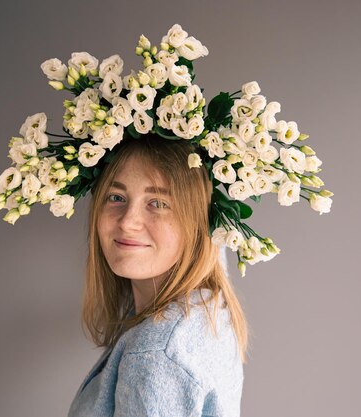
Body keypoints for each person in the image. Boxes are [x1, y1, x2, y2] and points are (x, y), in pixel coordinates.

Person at [67, 135, 249, 417]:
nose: (128, 222)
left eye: (158, 203)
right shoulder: (209, 304)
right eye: (116, 197)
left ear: (198, 223)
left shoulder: (155, 355)